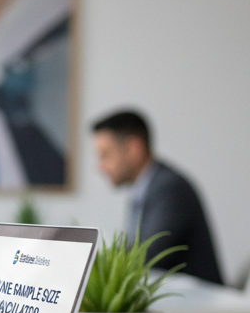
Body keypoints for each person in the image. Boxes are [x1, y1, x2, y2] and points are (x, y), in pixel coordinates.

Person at [91, 109, 223, 285]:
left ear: (133, 148)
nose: (100, 167)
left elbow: (147, 256)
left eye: (105, 155)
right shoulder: (146, 188)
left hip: (201, 304)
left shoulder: (170, 188)